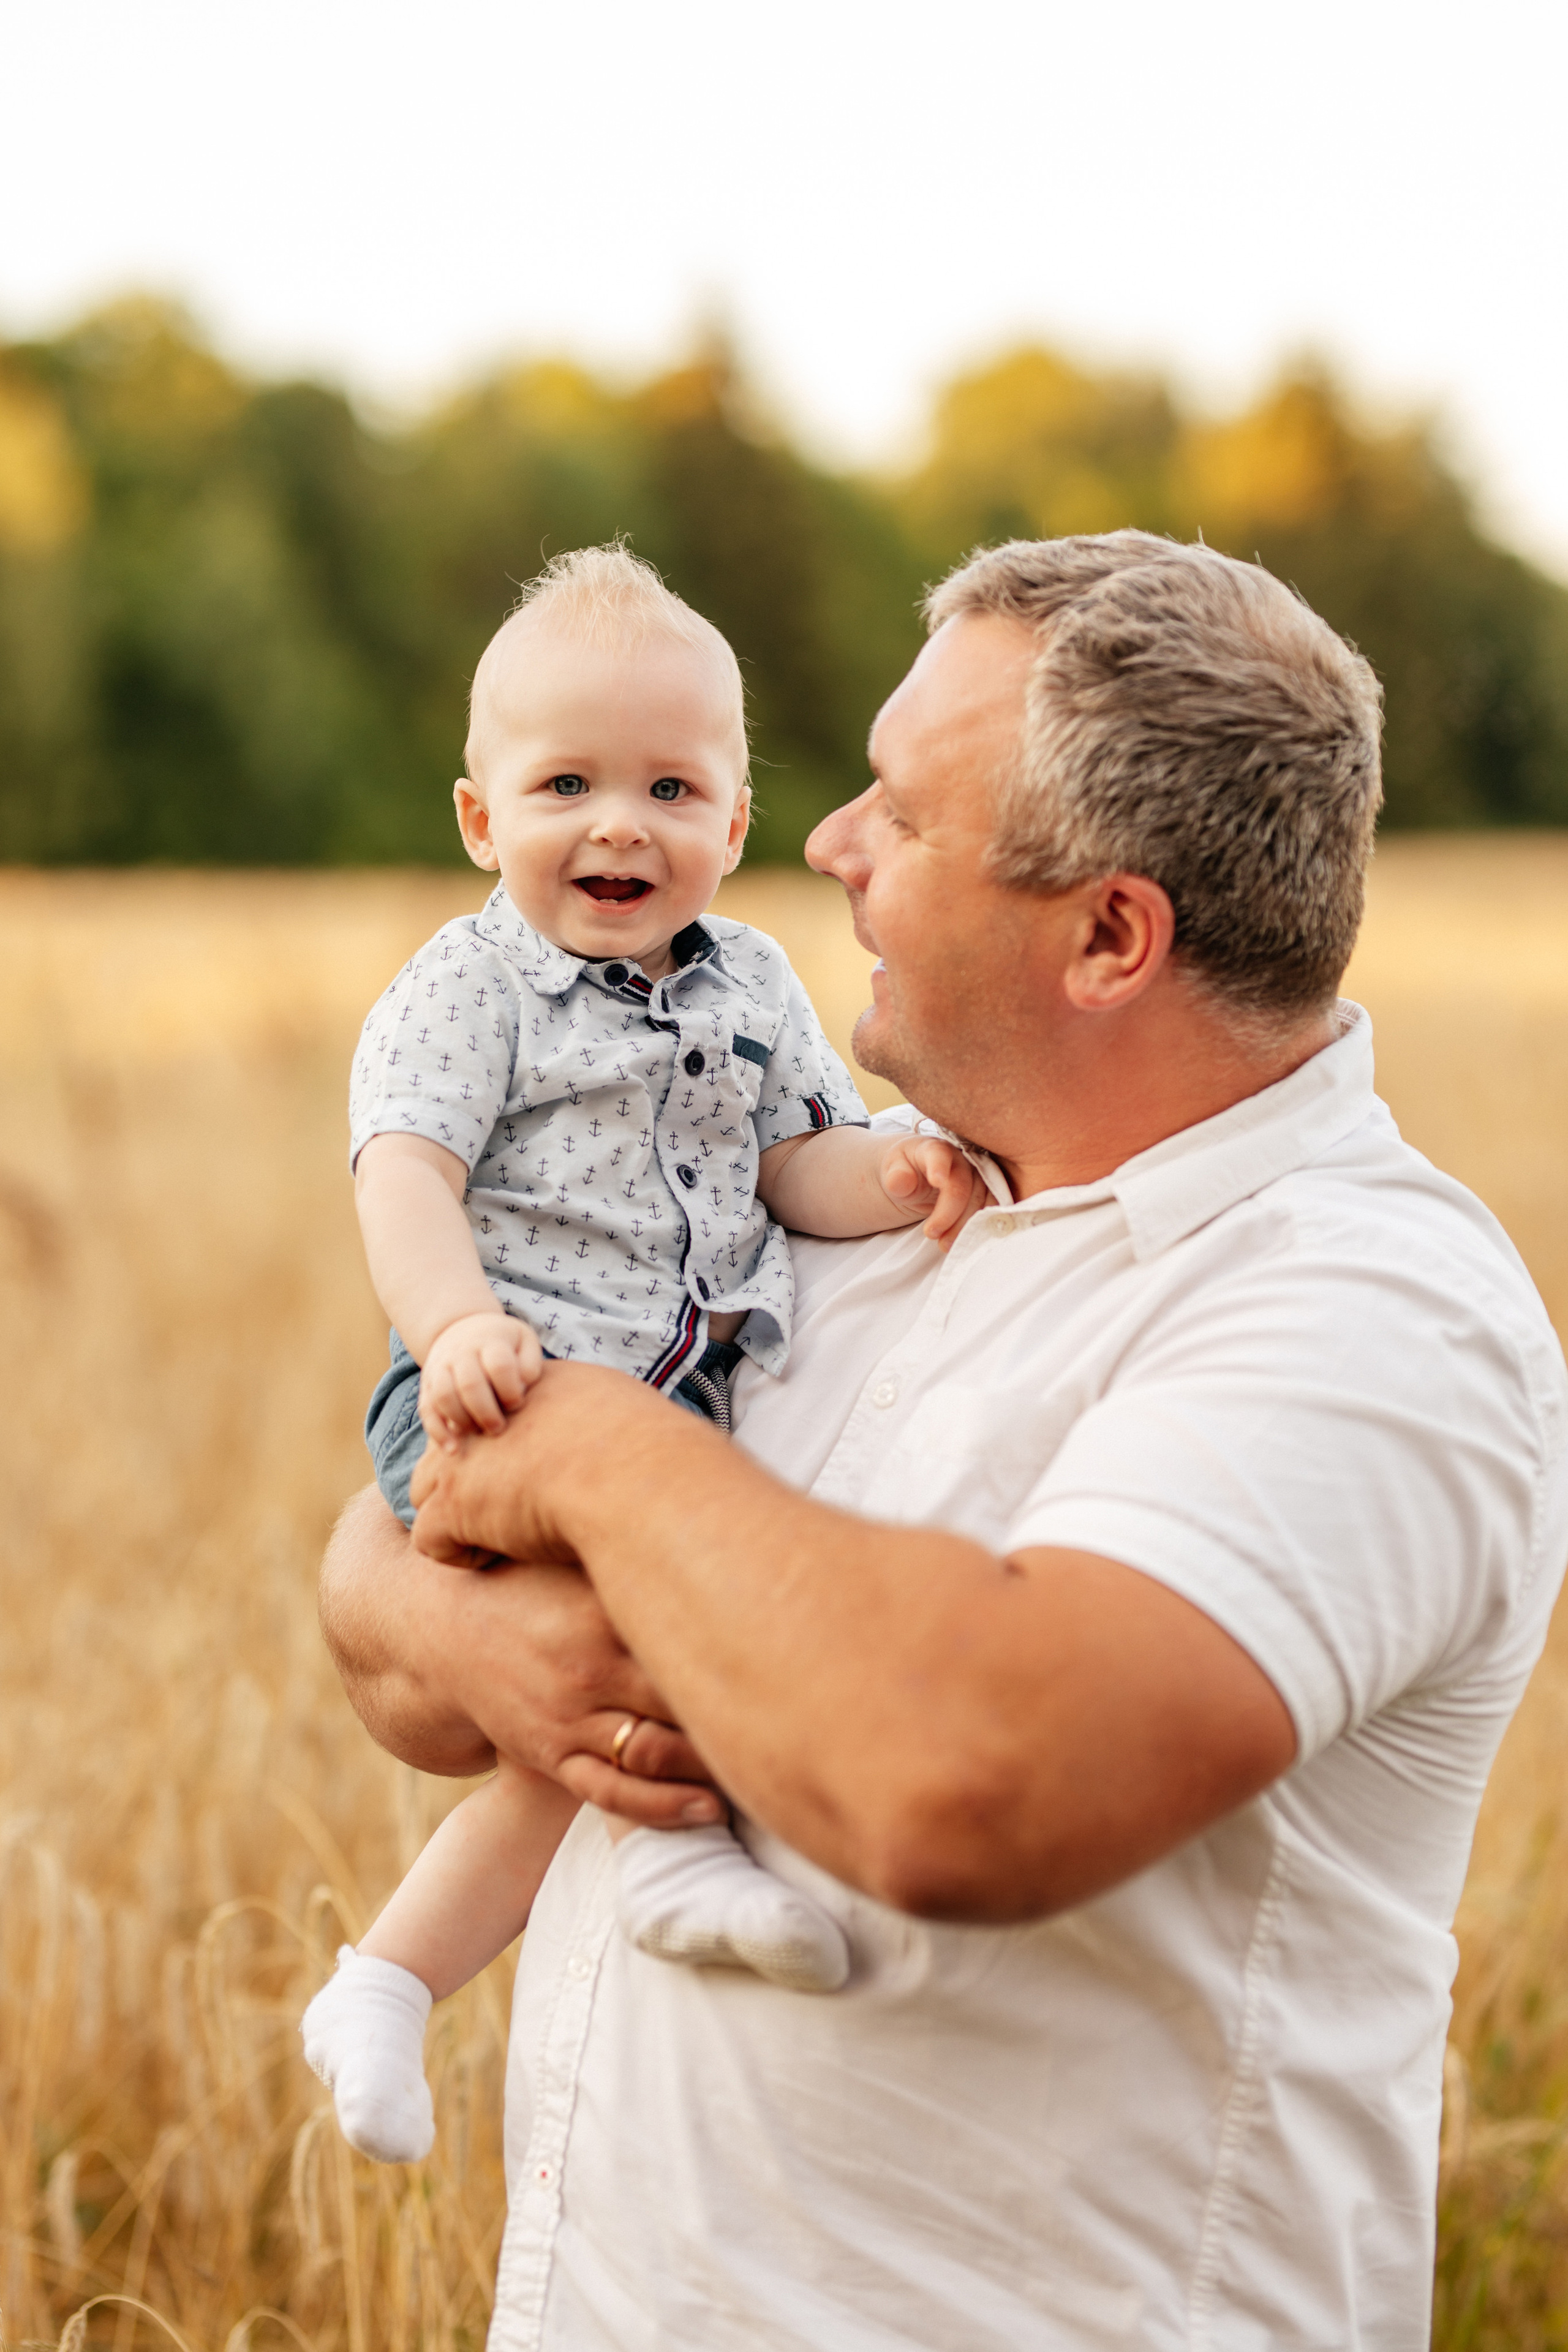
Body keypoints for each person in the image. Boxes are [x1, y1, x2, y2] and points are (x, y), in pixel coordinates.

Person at [319, 531, 1568, 2350]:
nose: (825, 846)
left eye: (900, 813)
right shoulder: (870, 1197)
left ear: (1111, 937)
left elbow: (961, 1779)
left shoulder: (1376, 1312)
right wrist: (454, 1605)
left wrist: (580, 1458)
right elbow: (395, 1604)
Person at [301, 545, 985, 2165]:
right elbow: (404, 1170)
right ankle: (485, 1938)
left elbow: (786, 1167)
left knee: (638, 1652)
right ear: (482, 821)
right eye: (566, 785)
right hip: (501, 1390)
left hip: (677, 1392)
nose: (620, 822)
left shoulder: (752, 984)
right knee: (647, 1610)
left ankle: (406, 1971)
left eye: (672, 786)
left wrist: (890, 1177)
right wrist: (455, 1326)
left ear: (733, 827)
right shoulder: (474, 989)